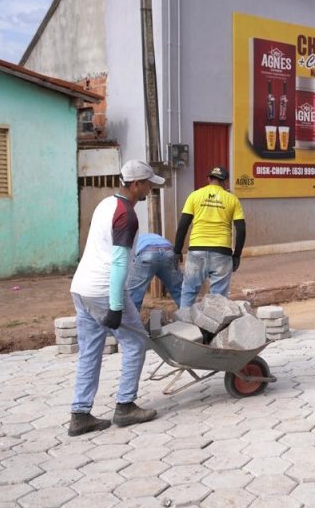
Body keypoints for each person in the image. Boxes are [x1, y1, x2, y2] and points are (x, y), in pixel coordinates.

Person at [67, 160, 163, 436]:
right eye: (147, 184)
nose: (148, 190)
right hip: (103, 289)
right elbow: (119, 261)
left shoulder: (105, 204)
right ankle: (125, 406)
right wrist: (117, 306)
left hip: (81, 287)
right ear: (136, 185)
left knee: (90, 351)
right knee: (135, 343)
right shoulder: (127, 215)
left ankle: (80, 414)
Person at [174, 166, 246, 307]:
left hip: (196, 251)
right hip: (222, 252)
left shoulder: (194, 195)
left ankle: (182, 326)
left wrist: (177, 250)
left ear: (208, 179)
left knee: (189, 291)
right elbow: (241, 229)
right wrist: (237, 255)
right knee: (218, 298)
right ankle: (213, 328)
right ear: (225, 182)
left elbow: (183, 224)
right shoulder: (232, 199)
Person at [127, 232, 183, 311]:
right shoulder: (151, 237)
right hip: (168, 252)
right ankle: (189, 316)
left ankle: (131, 322)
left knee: (134, 294)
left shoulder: (130, 241)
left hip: (147, 253)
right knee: (178, 290)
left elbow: (129, 264)